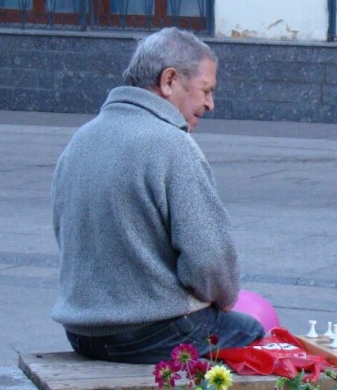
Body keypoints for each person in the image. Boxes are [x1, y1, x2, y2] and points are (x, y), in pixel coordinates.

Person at [51, 28, 264, 364]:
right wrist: (223, 298)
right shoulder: (172, 145)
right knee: (251, 334)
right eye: (205, 90)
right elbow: (209, 260)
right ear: (169, 81)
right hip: (148, 332)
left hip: (81, 331)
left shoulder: (81, 139)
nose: (210, 103)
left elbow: (65, 233)